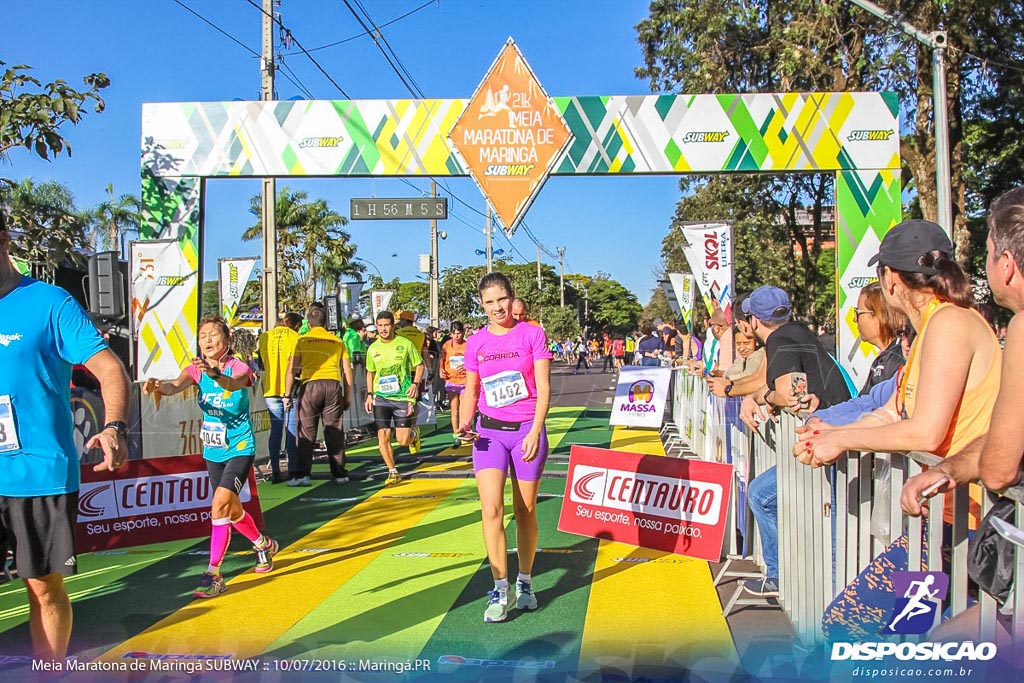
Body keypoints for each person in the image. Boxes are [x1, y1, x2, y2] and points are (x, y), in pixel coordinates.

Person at [796, 220, 998, 641]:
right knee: (906, 637)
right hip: (943, 521)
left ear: (890, 278)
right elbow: (889, 412)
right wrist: (826, 434)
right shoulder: (933, 328)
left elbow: (924, 432)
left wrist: (842, 439)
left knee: (851, 627)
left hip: (962, 526)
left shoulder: (948, 324)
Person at [0, 210, 131, 659]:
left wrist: (113, 425)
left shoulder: (49, 303)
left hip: (37, 473)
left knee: (44, 588)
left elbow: (110, 368)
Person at [900, 189, 1024, 643]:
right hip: (954, 508)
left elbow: (998, 467)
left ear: (1006, 263)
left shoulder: (1009, 326)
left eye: (989, 252)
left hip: (973, 521)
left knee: (931, 649)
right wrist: (950, 469)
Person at [143, 316, 278, 599]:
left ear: (227, 341)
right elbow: (174, 387)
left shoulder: (239, 367)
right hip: (213, 450)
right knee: (230, 510)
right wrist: (156, 386)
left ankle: (214, 573)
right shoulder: (195, 370)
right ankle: (262, 544)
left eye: (214, 335)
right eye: (203, 335)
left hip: (240, 448)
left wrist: (214, 373)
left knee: (218, 506)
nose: (207, 340)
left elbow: (232, 384)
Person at [738, 285, 852, 598]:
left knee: (763, 496)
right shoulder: (798, 333)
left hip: (830, 438)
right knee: (768, 494)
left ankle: (803, 587)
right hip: (835, 433)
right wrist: (761, 396)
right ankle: (802, 582)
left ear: (755, 321)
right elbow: (796, 389)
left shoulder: (780, 339)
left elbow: (790, 394)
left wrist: (766, 397)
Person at [457, 272, 552, 623]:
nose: (497, 308)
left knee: (525, 510)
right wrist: (465, 424)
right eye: (489, 302)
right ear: (482, 305)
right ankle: (500, 587)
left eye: (501, 300)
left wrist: (535, 430)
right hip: (489, 434)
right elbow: (471, 391)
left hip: (527, 430)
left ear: (512, 299)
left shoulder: (532, 334)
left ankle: (525, 583)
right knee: (491, 509)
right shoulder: (475, 342)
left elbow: (543, 388)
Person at [284, 306, 354, 487]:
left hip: (310, 386)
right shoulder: (337, 340)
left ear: (308, 323)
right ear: (325, 322)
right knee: (334, 430)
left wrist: (286, 394)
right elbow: (347, 370)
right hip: (332, 385)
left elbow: (292, 370)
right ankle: (340, 474)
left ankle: (303, 475)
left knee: (306, 432)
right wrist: (347, 396)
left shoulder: (301, 340)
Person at [365, 311, 424, 485]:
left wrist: (415, 384)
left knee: (403, 440)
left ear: (393, 325)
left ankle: (414, 434)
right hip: (381, 397)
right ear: (377, 325)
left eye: (386, 325)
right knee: (383, 435)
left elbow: (419, 365)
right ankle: (392, 471)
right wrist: (369, 394)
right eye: (380, 325)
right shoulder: (373, 348)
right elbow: (370, 372)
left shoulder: (404, 344)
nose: (383, 329)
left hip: (402, 397)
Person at [258, 312, 302, 483]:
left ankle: (275, 470)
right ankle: (292, 469)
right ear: (293, 324)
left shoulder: (264, 337)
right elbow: (296, 366)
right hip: (289, 390)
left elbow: (262, 361)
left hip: (270, 388)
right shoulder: (295, 337)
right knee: (291, 432)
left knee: (275, 432)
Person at [852, 282, 906, 394]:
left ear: (879, 316)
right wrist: (820, 406)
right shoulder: (886, 358)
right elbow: (863, 403)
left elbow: (876, 406)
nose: (854, 319)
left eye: (858, 313)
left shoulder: (897, 360)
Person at [440, 321, 469, 448]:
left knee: (464, 408)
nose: (456, 336)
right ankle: (456, 435)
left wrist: (467, 367)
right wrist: (441, 370)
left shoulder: (467, 345)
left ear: (463, 332)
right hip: (451, 380)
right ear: (450, 333)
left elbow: (473, 362)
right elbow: (442, 360)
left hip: (465, 381)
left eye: (459, 333)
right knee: (454, 409)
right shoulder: (446, 345)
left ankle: (466, 432)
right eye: (454, 333)